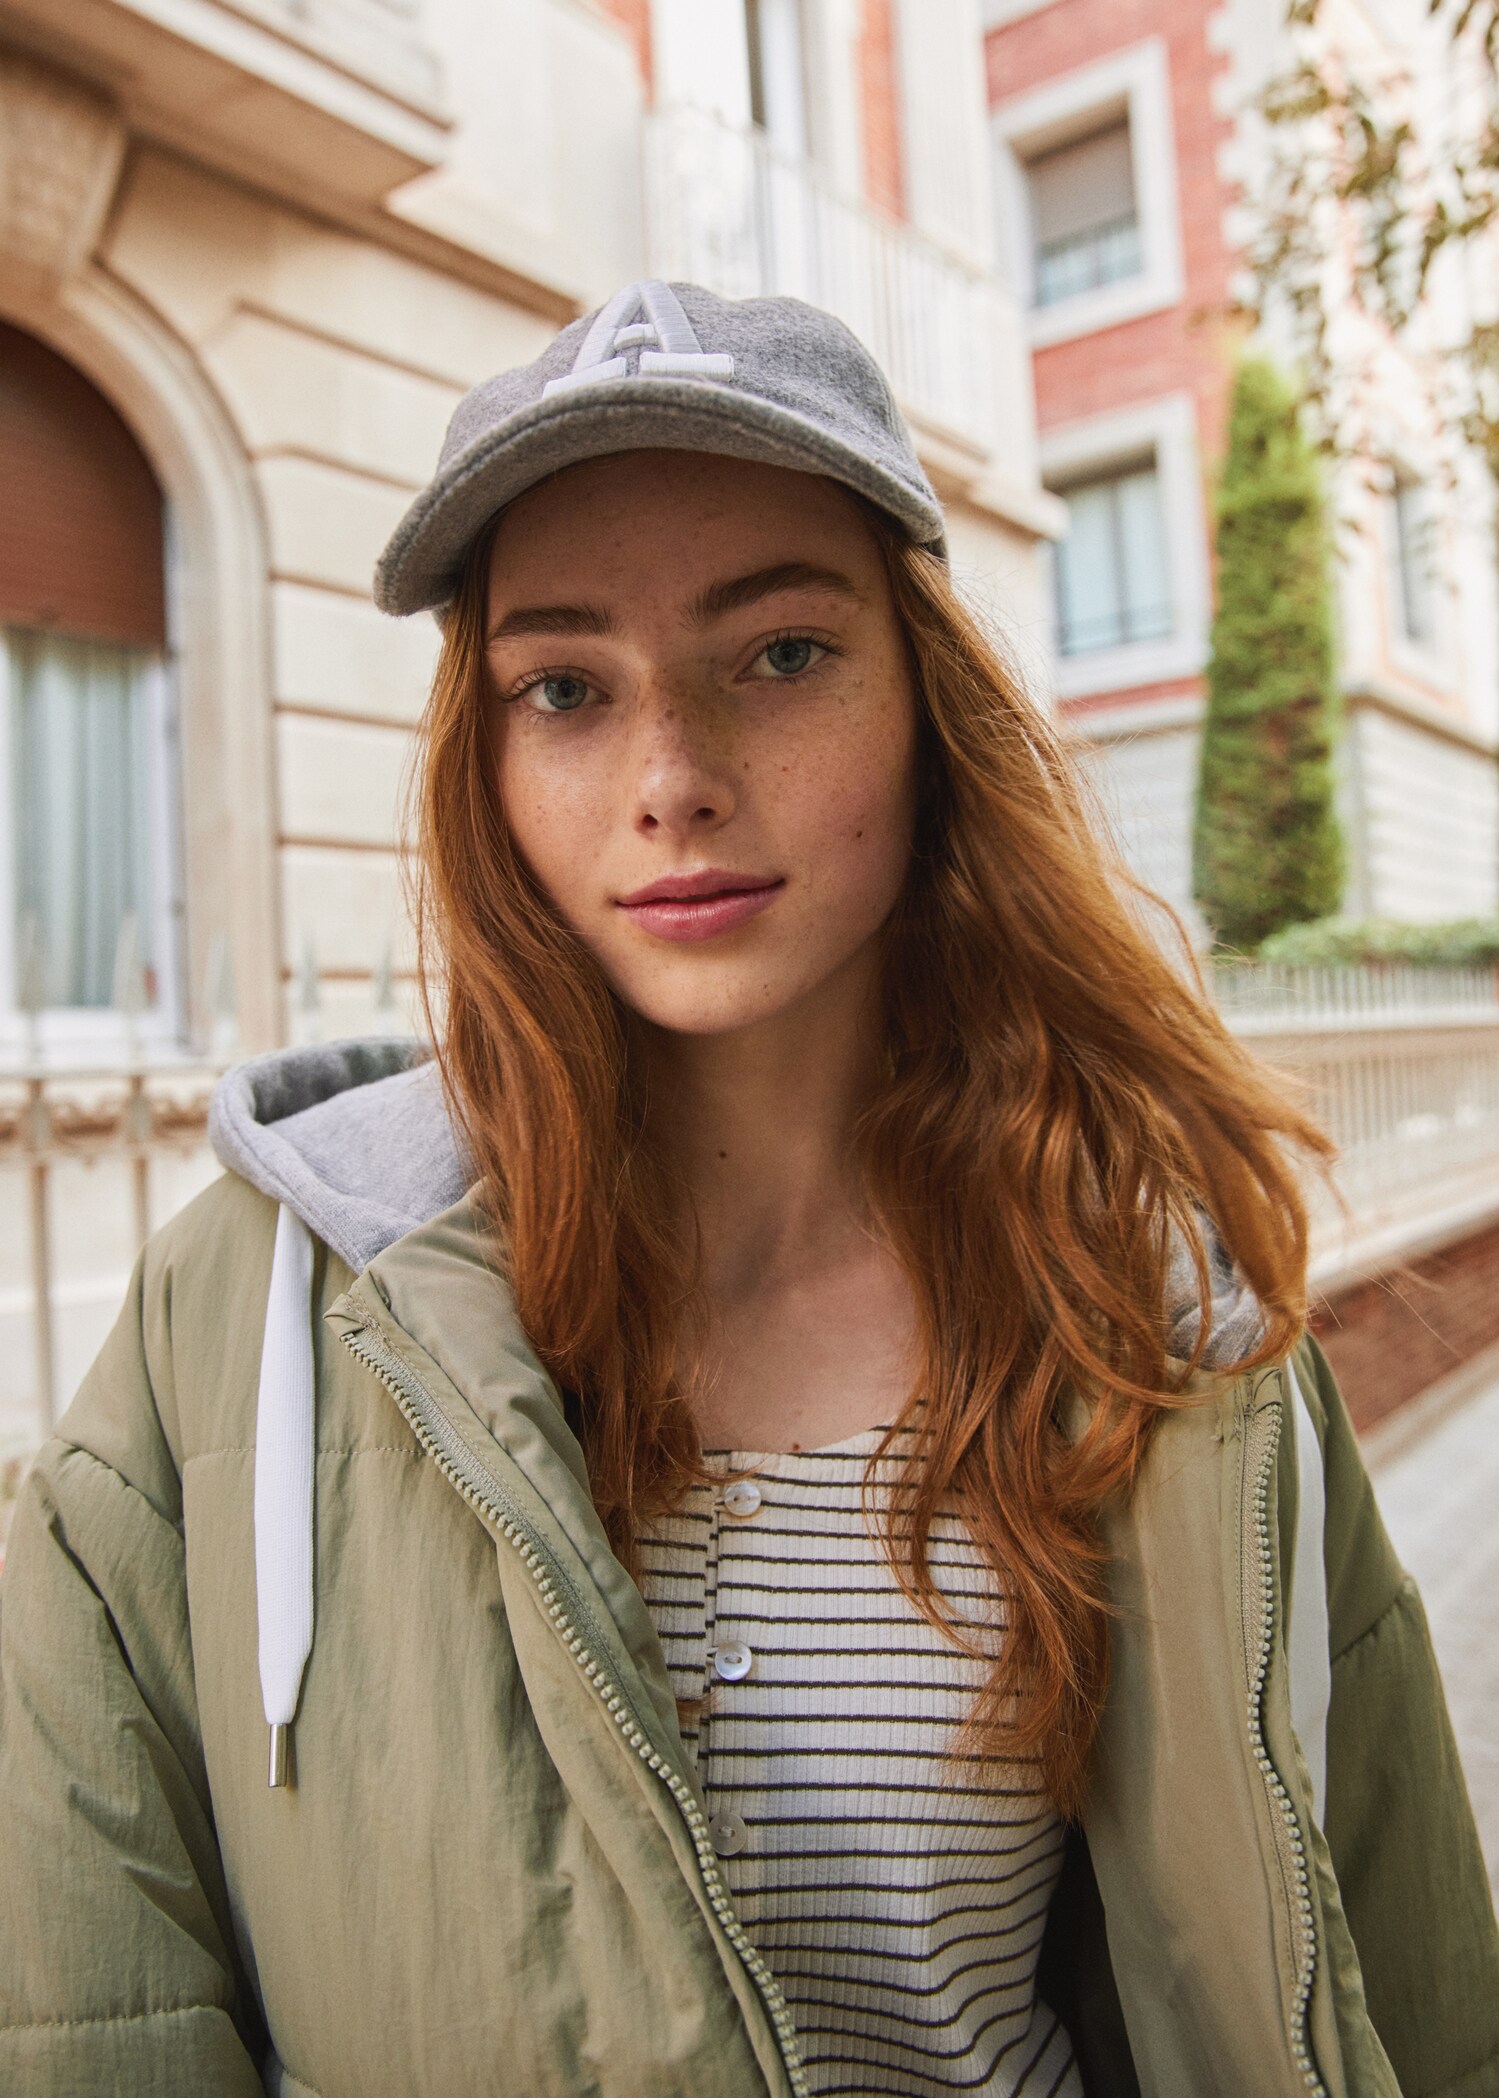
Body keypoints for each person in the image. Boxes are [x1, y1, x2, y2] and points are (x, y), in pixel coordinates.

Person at [0, 280, 1494, 2098]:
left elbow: (1396, 1985)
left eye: (779, 654)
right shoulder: (241, 1319)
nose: (672, 783)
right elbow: (88, 2013)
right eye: (565, 686)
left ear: (922, 701)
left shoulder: (1166, 1325)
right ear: (489, 757)